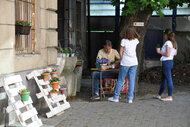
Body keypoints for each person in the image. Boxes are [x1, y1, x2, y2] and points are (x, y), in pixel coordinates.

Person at [108, 26, 140, 103]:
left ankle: (116, 97)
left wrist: (120, 58)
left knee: (121, 80)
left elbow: (121, 52)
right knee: (132, 80)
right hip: (134, 62)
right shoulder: (136, 40)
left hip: (125, 63)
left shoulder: (123, 41)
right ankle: (130, 98)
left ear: (125, 33)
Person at [155, 29, 177, 101]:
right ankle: (159, 94)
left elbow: (167, 54)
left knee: (168, 79)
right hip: (170, 61)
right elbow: (175, 53)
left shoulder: (167, 42)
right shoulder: (174, 43)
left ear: (166, 35)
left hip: (166, 62)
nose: (164, 36)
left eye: (164, 34)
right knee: (164, 79)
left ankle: (169, 96)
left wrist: (159, 52)